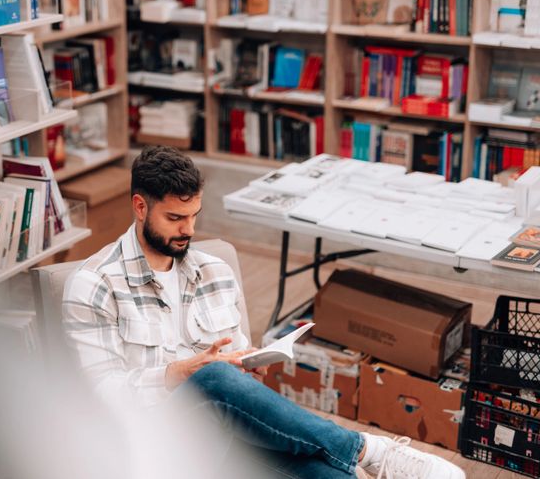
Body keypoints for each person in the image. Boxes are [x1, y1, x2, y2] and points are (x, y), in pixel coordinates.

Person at [62, 146, 465, 479]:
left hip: (227, 432)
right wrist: (180, 373)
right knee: (212, 373)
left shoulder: (213, 273)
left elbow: (236, 364)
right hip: (152, 443)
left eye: (194, 216)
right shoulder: (95, 285)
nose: (188, 229)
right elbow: (105, 393)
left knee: (328, 476)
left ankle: (359, 459)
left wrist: (248, 367)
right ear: (139, 206)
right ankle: (368, 450)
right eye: (175, 218)